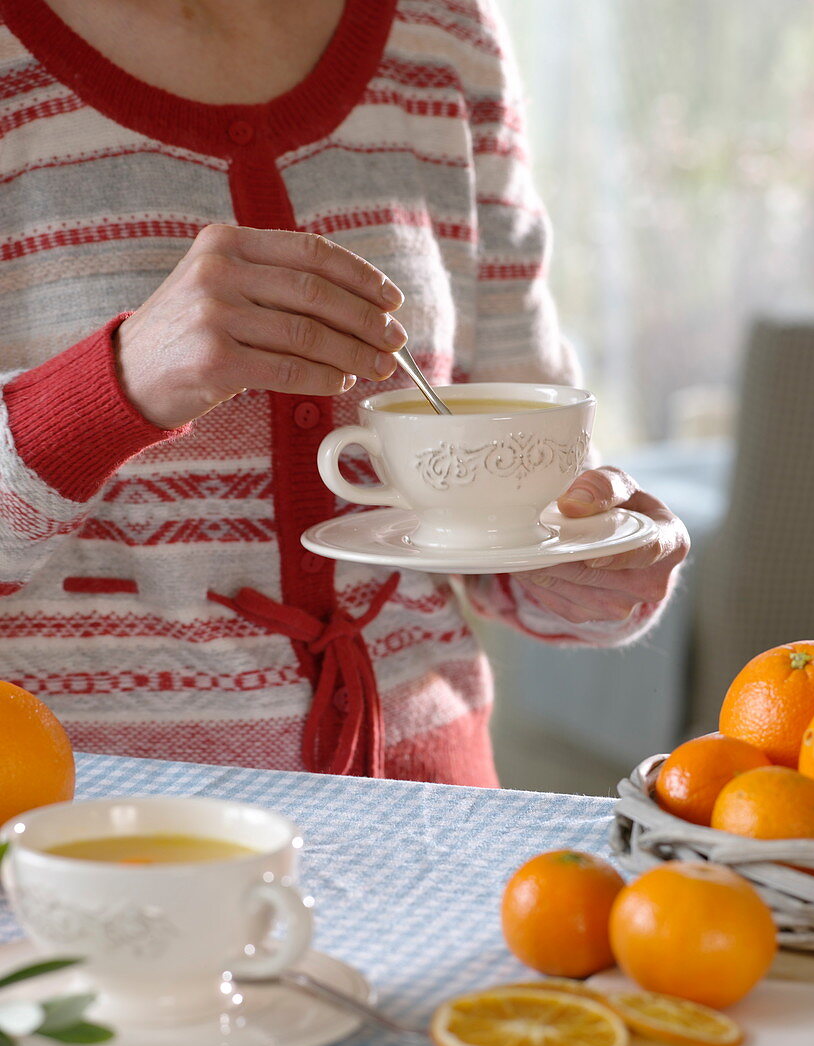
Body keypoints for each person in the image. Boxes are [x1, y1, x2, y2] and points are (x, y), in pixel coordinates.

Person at [0, 0, 688, 785]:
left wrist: (592, 552)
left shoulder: (444, 35)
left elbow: (526, 469)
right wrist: (115, 386)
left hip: (435, 826)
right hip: (96, 835)